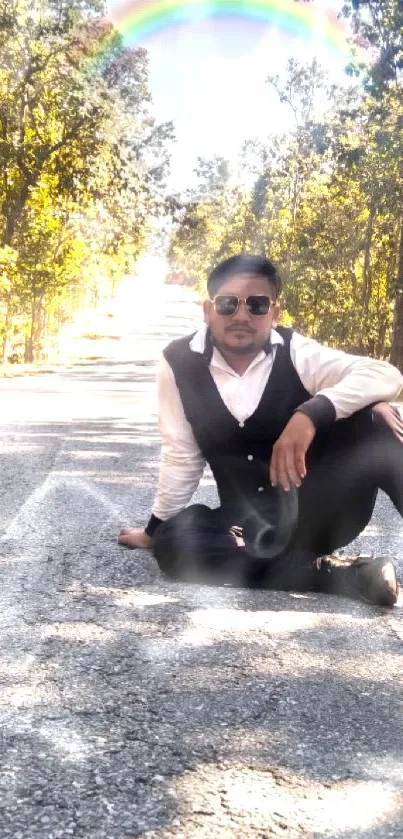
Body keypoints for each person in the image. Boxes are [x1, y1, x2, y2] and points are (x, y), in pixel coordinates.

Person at [119, 254, 403, 606]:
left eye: (256, 304)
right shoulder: (178, 362)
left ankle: (309, 563)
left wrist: (311, 414)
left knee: (377, 417)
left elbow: (385, 375)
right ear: (208, 310)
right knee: (175, 539)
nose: (241, 315)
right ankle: (338, 573)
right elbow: (181, 453)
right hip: (246, 525)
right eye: (227, 304)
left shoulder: (298, 353)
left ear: (273, 311)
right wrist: (153, 529)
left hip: (322, 512)